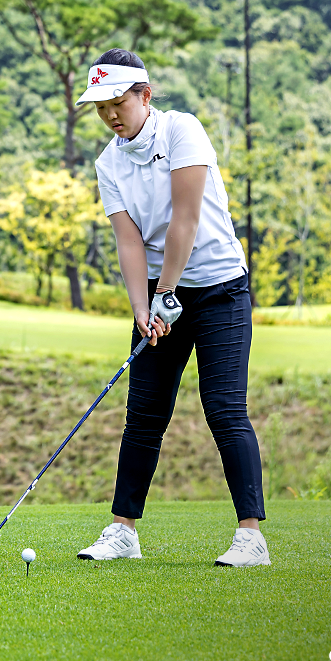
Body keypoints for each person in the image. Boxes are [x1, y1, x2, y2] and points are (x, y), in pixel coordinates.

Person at [77, 49, 269, 567]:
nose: (112, 116)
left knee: (225, 408)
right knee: (143, 414)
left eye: (119, 102)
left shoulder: (183, 131)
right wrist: (144, 307)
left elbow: (184, 221)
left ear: (145, 95)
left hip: (219, 287)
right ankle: (123, 532)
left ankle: (251, 537)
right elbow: (129, 243)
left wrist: (167, 295)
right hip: (162, 294)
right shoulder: (108, 162)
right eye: (101, 108)